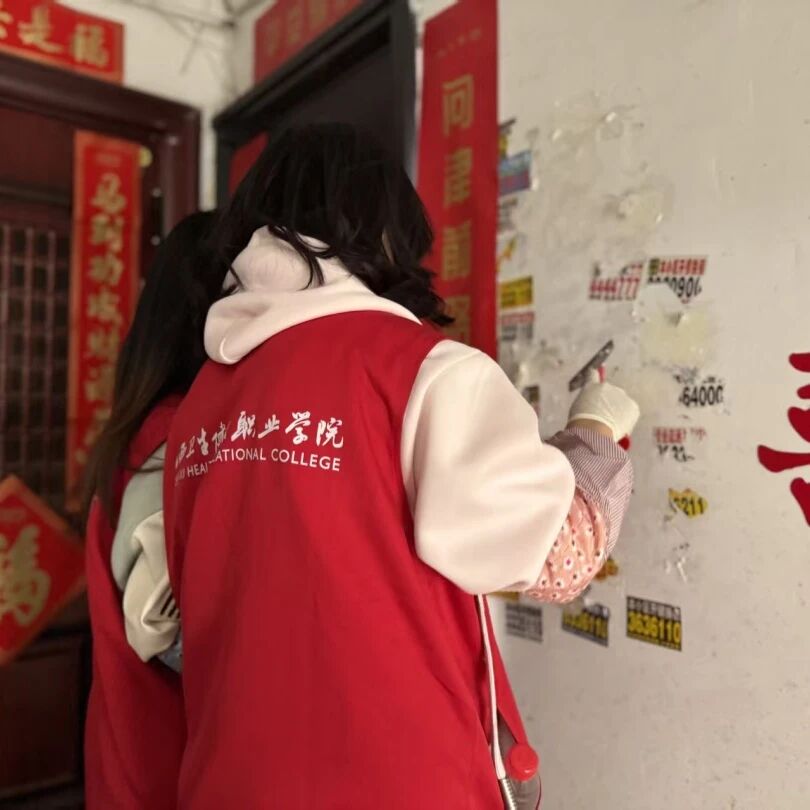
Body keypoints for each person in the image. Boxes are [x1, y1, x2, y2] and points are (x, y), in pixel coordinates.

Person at [162, 123, 639, 809]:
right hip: (398, 780)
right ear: (385, 232)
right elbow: (560, 557)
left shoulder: (202, 400)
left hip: (228, 781)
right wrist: (595, 429)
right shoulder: (420, 369)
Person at [82, 210, 218, 810]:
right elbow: (168, 635)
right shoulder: (182, 436)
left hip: (133, 749)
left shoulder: (146, 426)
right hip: (167, 756)